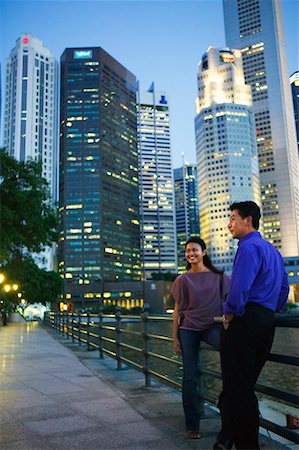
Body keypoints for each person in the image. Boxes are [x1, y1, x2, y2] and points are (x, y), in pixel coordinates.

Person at [214, 201, 289, 450]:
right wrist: (269, 312)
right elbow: (283, 291)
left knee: (239, 389)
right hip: (267, 322)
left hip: (245, 322)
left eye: (233, 218)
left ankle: (246, 444)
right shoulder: (273, 251)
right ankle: (230, 437)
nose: (229, 223)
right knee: (243, 385)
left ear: (248, 220)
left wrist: (229, 314)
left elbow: (238, 290)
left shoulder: (247, 248)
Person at [171, 237, 230, 440]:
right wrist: (175, 338)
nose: (191, 254)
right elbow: (177, 311)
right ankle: (192, 425)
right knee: (190, 376)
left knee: (232, 359)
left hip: (214, 325)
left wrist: (228, 320)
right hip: (188, 328)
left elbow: (230, 301)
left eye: (195, 250)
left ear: (203, 252)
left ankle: (230, 414)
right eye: (188, 251)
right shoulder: (182, 279)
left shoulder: (219, 276)